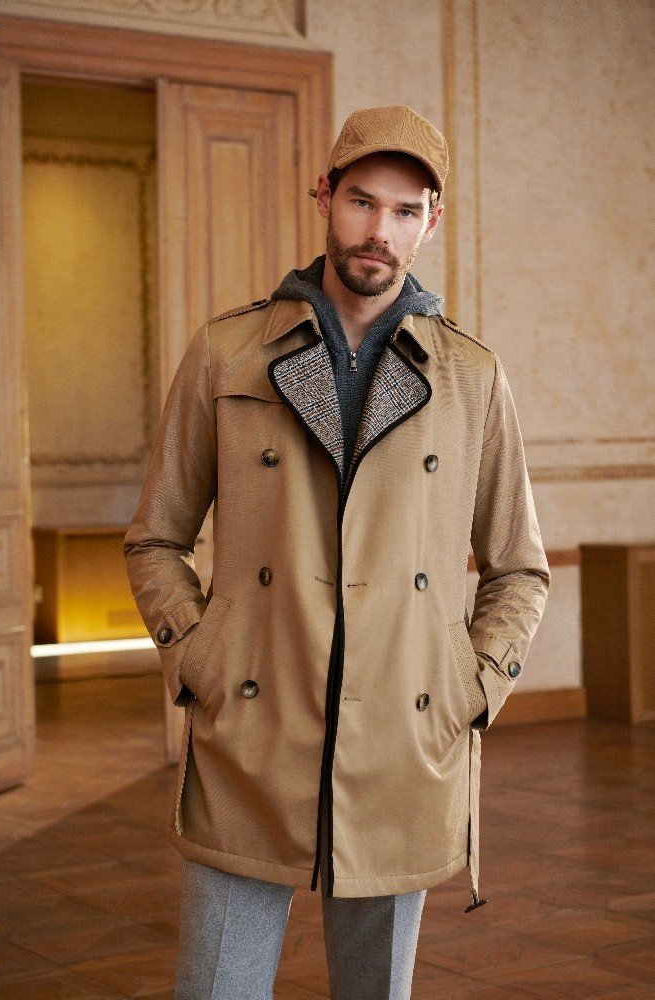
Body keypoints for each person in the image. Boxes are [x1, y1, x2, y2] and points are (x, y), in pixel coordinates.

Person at [124, 105, 550, 999]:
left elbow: (518, 567)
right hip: (251, 727)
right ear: (324, 195)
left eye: (405, 211)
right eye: (362, 201)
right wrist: (199, 655)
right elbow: (157, 536)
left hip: (404, 738)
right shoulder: (226, 353)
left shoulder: (472, 377)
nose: (379, 231)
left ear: (432, 221)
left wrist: (470, 688)